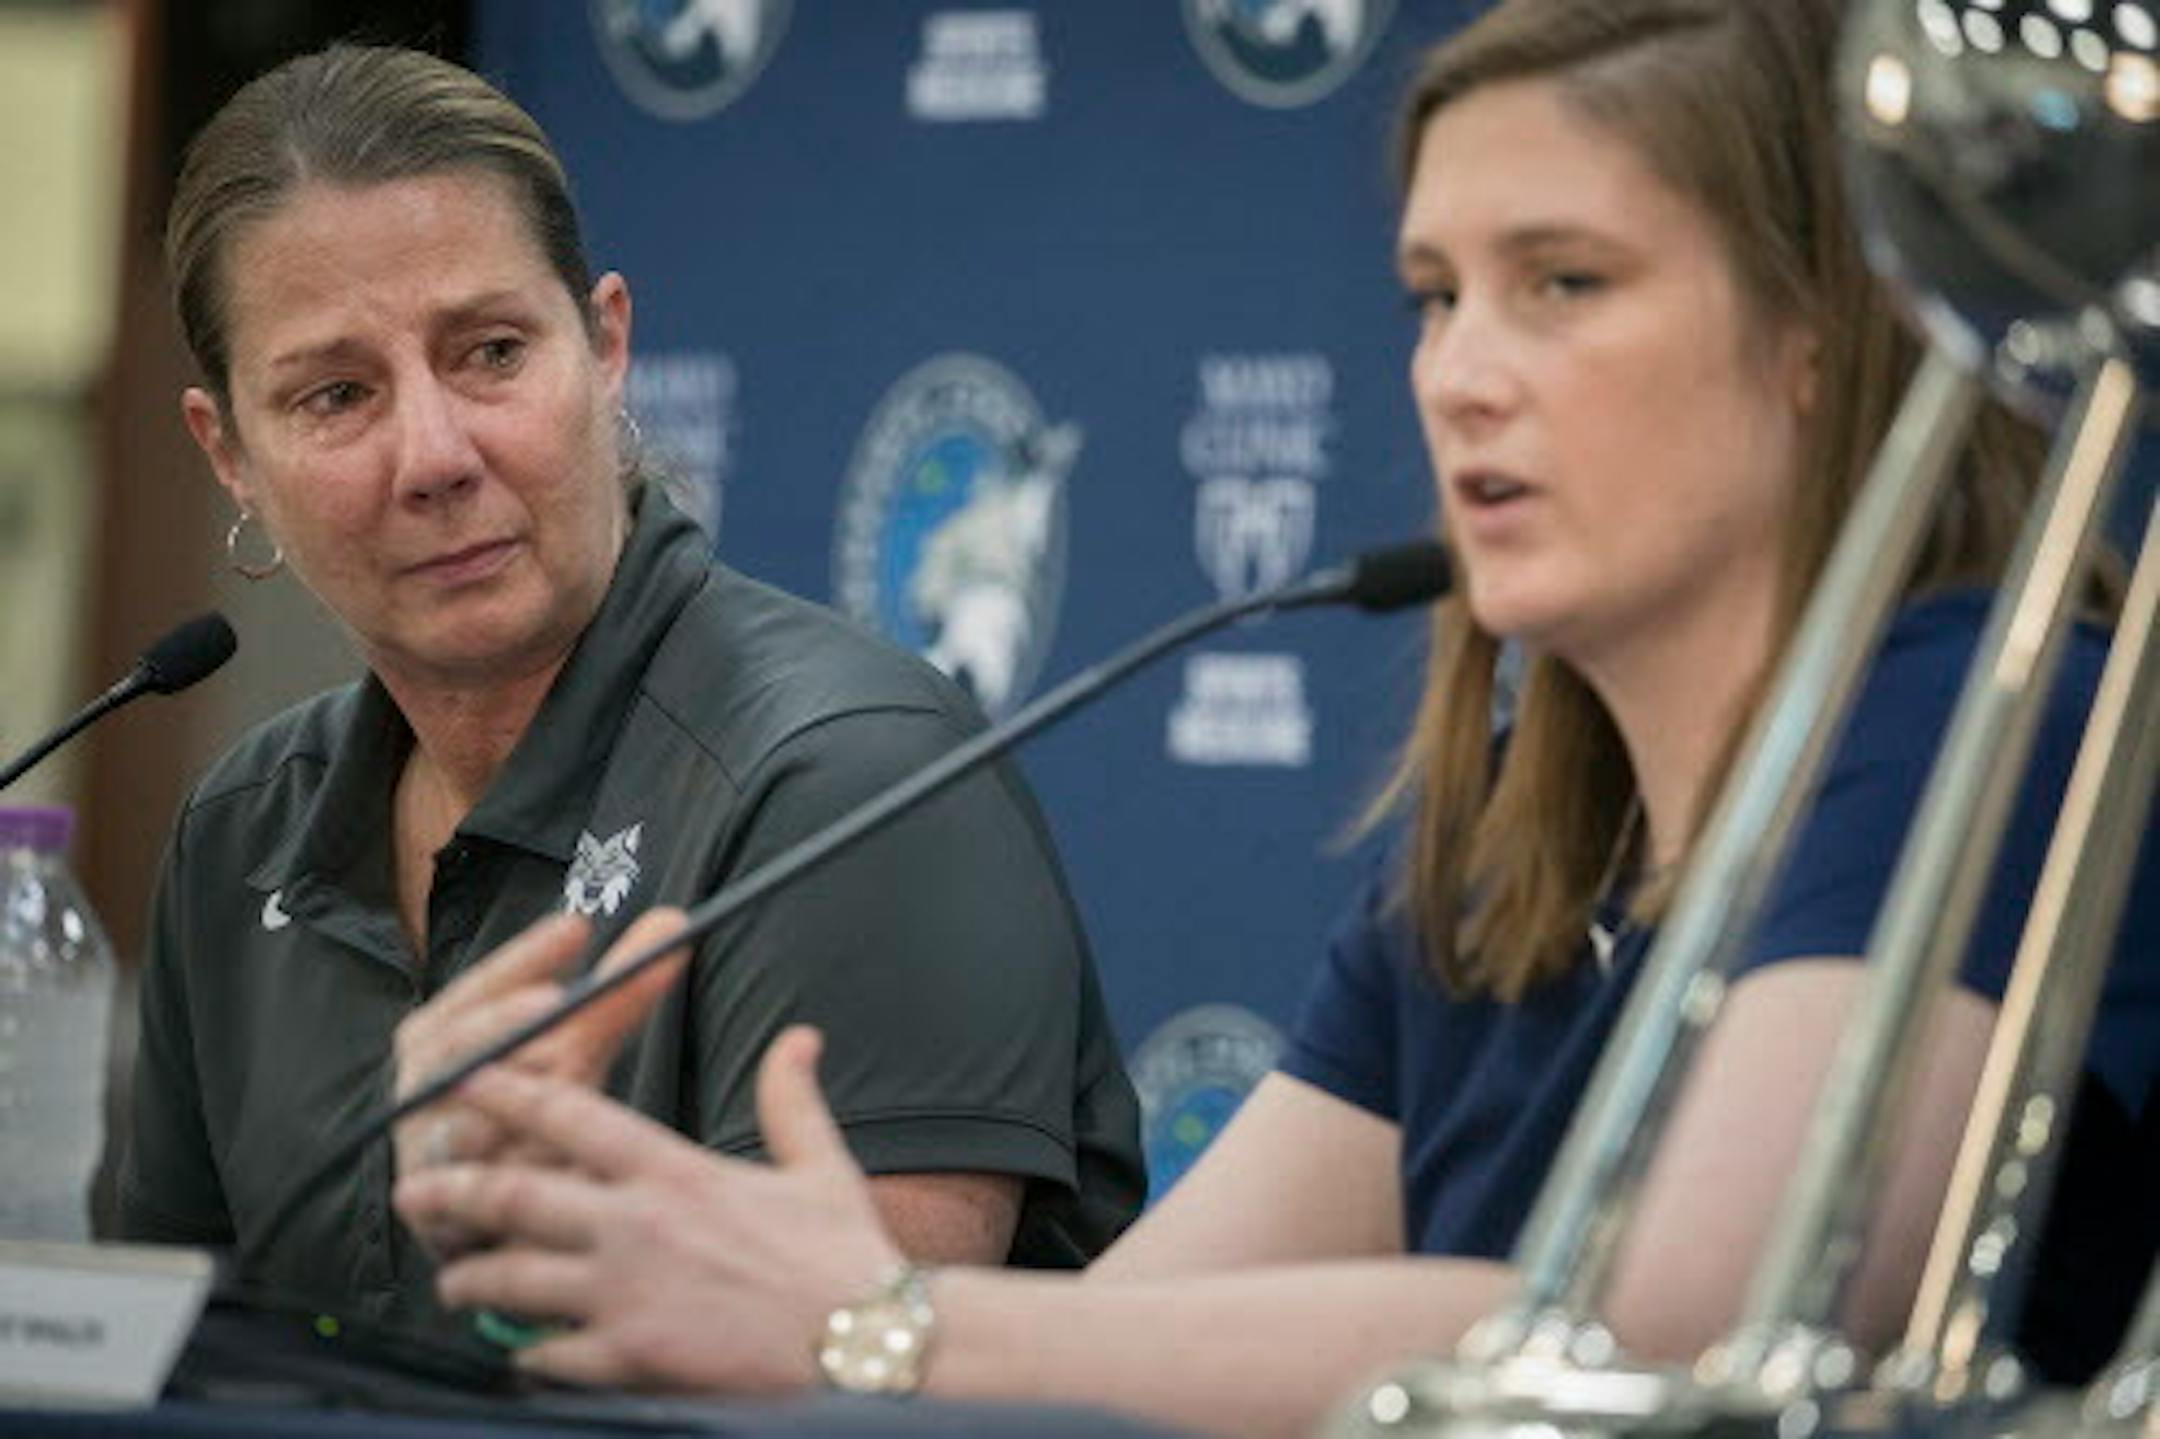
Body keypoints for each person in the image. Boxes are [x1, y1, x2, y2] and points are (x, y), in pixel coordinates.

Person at [393, 2, 2160, 1433]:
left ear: (1820, 333)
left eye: (1565, 282)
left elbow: (1663, 1342)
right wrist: (632, 1236)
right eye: (1437, 294)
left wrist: (880, 1326)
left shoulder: (1989, 718)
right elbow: (1142, 1352)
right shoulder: (1508, 836)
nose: (1460, 372)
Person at [116, 42, 1145, 1344]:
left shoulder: (848, 778)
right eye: (336, 395)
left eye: (490, 352)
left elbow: (861, 1386)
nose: (433, 455)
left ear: (604, 347)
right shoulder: (242, 826)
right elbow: (158, 1357)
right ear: (232, 457)